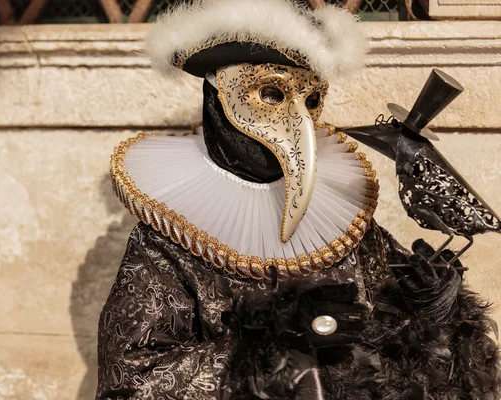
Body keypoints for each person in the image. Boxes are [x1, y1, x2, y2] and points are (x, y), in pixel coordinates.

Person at [96, 1, 499, 398]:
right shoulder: (167, 238)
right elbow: (130, 377)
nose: (299, 122)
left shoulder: (344, 223)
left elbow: (388, 335)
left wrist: (429, 307)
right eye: (271, 93)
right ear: (217, 96)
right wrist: (268, 358)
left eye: (309, 100)